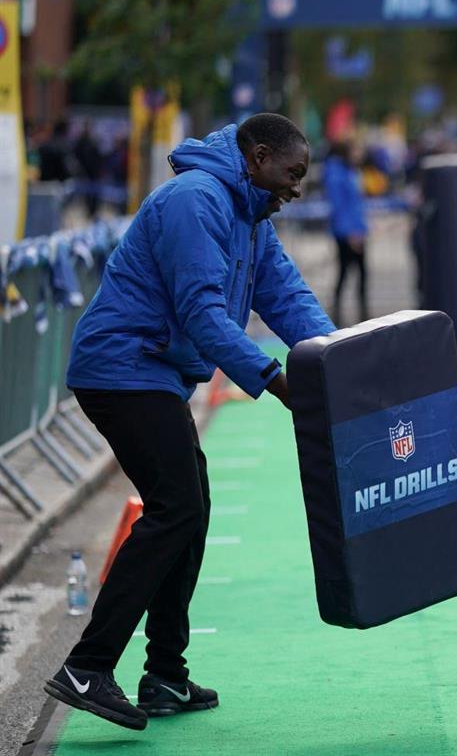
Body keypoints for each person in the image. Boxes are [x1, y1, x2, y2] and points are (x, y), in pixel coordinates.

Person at [44, 113, 335, 731]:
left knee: (189, 507)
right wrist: (279, 383)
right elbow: (202, 315)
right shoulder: (195, 201)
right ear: (257, 157)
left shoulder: (249, 215)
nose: (298, 188)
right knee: (176, 506)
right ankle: (87, 665)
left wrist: (339, 358)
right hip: (122, 370)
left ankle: (165, 676)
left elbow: (284, 296)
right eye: (293, 173)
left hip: (152, 373)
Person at [323, 140, 369, 326]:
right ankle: (338, 311)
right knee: (345, 272)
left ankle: (361, 310)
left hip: (356, 229)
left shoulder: (351, 171)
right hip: (347, 233)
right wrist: (351, 232)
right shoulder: (336, 174)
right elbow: (340, 206)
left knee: (360, 273)